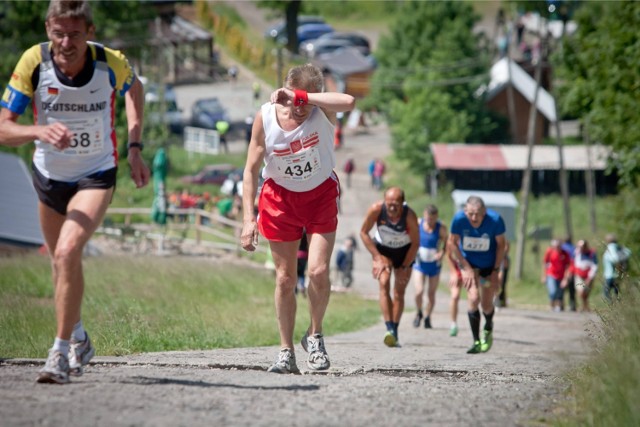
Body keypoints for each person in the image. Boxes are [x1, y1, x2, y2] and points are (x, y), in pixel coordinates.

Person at [0, 0, 149, 384]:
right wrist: (38, 131)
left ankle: (59, 353)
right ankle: (80, 337)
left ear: (90, 32)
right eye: (59, 33)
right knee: (59, 260)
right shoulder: (33, 63)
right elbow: (4, 127)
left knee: (68, 250)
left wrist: (134, 148)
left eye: (75, 34)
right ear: (48, 29)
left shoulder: (109, 62)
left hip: (95, 173)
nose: (67, 43)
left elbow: (136, 91)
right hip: (49, 176)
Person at [240, 63, 355, 374]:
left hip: (319, 195)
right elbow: (250, 170)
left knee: (317, 271)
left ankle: (315, 336)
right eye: (296, 102)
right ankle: (286, 351)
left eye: (308, 101)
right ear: (285, 92)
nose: (302, 109)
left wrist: (306, 97)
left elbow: (349, 102)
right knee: (285, 278)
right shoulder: (266, 117)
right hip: (280, 199)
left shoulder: (321, 110)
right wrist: (248, 218)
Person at [360, 186, 420, 347]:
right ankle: (389, 328)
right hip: (384, 251)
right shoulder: (377, 209)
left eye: (396, 203)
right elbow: (364, 232)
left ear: (402, 203)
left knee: (399, 291)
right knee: (384, 282)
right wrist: (377, 257)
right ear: (384, 201)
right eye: (389, 203)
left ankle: (395, 329)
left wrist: (405, 266)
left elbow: (415, 243)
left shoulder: (409, 216)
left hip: (404, 253)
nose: (392, 206)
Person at [448, 196, 506, 354]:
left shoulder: (495, 220)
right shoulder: (459, 219)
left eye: (477, 214)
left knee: (487, 305)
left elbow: (502, 246)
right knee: (473, 298)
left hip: (489, 264)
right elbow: (451, 243)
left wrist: (495, 271)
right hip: (469, 263)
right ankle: (476, 341)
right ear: (465, 211)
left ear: (484, 212)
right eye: (470, 214)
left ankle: (488, 327)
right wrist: (463, 268)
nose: (474, 218)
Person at [412, 204, 448, 330]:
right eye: (428, 218)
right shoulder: (418, 223)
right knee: (419, 291)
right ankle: (419, 312)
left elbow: (446, 242)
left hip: (434, 264)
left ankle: (428, 317)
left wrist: (441, 253)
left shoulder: (441, 227)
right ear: (424, 215)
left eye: (432, 219)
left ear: (436, 217)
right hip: (420, 263)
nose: (430, 221)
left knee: (431, 294)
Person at [541, 239, 572, 312]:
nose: (557, 248)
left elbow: (568, 266)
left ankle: (558, 306)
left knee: (560, 292)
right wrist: (544, 275)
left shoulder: (565, 254)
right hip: (551, 274)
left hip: (561, 276)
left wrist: (565, 279)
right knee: (553, 291)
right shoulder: (549, 252)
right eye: (555, 246)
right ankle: (552, 305)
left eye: (558, 246)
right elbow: (545, 264)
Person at [602, 233, 632, 303]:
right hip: (617, 275)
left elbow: (614, 259)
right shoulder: (619, 248)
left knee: (606, 293)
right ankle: (617, 306)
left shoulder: (611, 247)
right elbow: (629, 252)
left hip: (609, 275)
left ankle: (613, 305)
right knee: (616, 293)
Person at [572, 239, 598, 312]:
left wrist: (590, 278)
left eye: (582, 246)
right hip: (579, 275)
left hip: (588, 276)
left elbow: (594, 266)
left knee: (586, 292)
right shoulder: (576, 253)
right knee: (580, 292)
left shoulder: (591, 253)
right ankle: (583, 305)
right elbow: (573, 262)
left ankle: (585, 306)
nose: (580, 248)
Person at [446, 252, 463, 337]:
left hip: (472, 268)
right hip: (457, 269)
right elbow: (448, 255)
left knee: (475, 297)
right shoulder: (453, 238)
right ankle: (453, 324)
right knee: (455, 296)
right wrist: (453, 273)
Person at [561, 237, 577, 311]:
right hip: (572, 270)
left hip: (562, 270)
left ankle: (561, 304)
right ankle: (572, 305)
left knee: (562, 289)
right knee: (571, 289)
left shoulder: (562, 248)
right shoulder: (574, 248)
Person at [495, 241, 510, 308]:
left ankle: (501, 301)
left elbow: (507, 247)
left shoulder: (506, 258)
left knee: (502, 284)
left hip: (501, 263)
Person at [296, 232, 309, 297]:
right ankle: (302, 286)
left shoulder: (297, 235)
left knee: (296, 273)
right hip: (304, 256)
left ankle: (295, 289)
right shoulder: (307, 236)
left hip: (297, 255)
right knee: (302, 273)